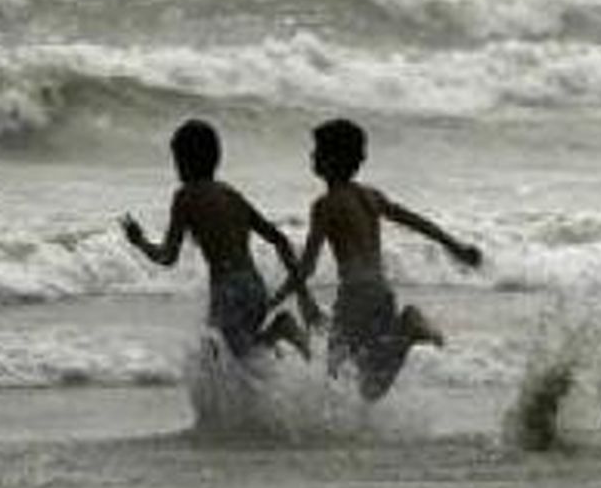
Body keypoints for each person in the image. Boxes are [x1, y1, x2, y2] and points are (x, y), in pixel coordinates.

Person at [269, 118, 482, 400]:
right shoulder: (370, 196)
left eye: (317, 151)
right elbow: (415, 221)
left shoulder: (325, 205)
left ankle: (407, 328)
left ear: (333, 159)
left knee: (340, 379)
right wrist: (454, 246)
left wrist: (277, 299)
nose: (312, 156)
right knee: (367, 380)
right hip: (381, 292)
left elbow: (307, 267)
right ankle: (405, 329)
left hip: (355, 296)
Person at [121, 119, 313, 361]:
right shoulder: (230, 194)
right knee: (236, 356)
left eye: (177, 160)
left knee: (223, 357)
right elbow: (280, 240)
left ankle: (281, 328)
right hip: (255, 287)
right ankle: (275, 338)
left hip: (228, 291)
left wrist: (139, 241)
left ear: (184, 160)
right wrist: (301, 290)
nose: (176, 167)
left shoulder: (185, 197)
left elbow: (168, 258)